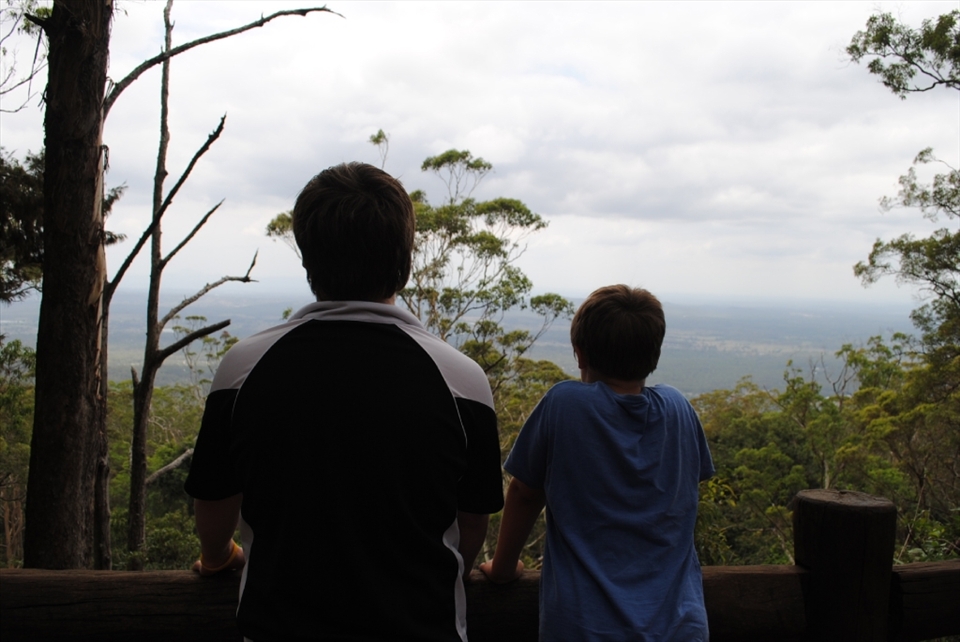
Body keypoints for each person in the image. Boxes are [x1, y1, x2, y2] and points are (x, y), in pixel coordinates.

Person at [184, 162, 504, 641]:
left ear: (308, 255)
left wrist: (218, 559)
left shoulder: (244, 368)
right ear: (404, 260)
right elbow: (471, 525)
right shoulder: (462, 380)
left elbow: (213, 505)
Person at [480, 285, 714, 641]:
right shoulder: (679, 408)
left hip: (584, 626)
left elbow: (525, 494)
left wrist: (502, 569)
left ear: (579, 353)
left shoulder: (565, 404)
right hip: (680, 625)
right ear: (654, 354)